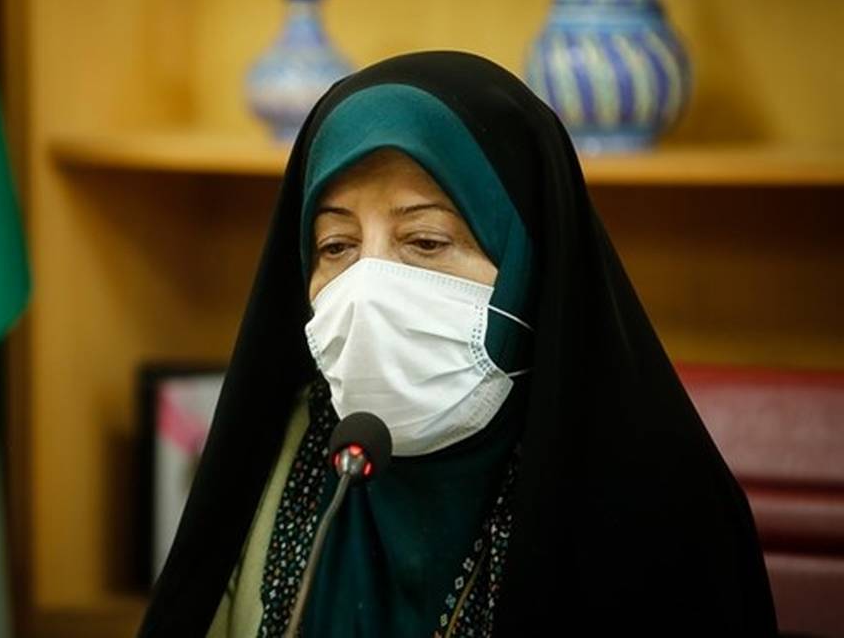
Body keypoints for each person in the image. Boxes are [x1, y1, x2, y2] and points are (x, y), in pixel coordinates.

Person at [139, 51, 776, 637]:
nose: (368, 289)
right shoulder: (269, 465)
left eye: (426, 241)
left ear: (529, 268)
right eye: (336, 246)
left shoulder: (663, 511)